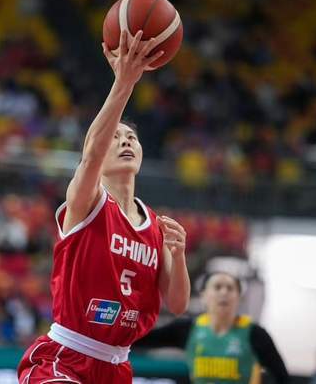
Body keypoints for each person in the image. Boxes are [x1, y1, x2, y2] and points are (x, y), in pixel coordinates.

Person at [17, 29, 191, 383]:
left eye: (132, 137)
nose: (125, 141)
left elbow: (177, 304)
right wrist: (124, 83)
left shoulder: (155, 227)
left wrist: (180, 254)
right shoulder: (89, 200)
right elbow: (90, 155)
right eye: (116, 137)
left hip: (116, 367)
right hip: (65, 357)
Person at [133, 272, 289, 383]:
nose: (224, 293)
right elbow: (139, 339)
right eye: (217, 287)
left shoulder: (255, 334)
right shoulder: (188, 329)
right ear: (204, 296)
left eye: (230, 288)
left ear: (239, 298)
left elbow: (282, 377)